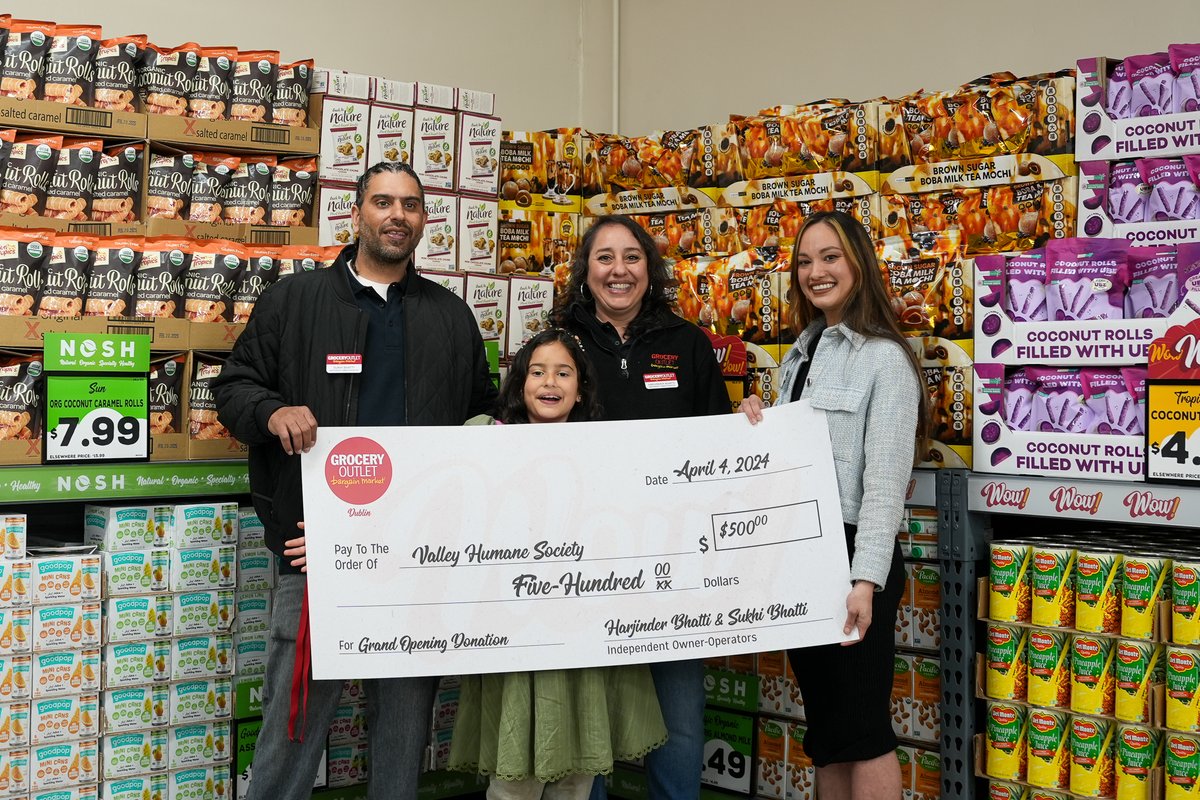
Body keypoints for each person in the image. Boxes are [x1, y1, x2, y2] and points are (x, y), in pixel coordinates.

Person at [213, 161, 497, 800]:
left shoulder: (451, 317)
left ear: (425, 220)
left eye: (411, 205)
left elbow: (483, 413)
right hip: (316, 551)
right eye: (383, 202)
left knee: (402, 734)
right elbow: (233, 389)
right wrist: (272, 411)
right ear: (357, 212)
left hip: (417, 557)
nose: (398, 215)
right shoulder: (297, 299)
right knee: (292, 734)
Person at [738, 210, 928, 800]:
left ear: (858, 264)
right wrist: (753, 425)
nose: (815, 272)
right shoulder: (798, 355)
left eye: (830, 257)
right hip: (803, 553)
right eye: (803, 261)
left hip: (853, 560)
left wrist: (864, 580)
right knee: (827, 730)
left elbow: (885, 484)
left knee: (864, 730)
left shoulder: (884, 359)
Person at [448, 327, 668, 799]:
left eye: (563, 373)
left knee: (576, 776)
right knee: (512, 784)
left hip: (581, 641)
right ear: (519, 383)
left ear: (581, 387)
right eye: (538, 371)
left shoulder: (610, 453)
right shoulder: (481, 439)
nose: (550, 382)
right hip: (511, 639)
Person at [553, 214, 729, 800]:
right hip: (586, 565)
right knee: (592, 726)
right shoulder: (560, 345)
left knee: (678, 727)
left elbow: (721, 449)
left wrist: (753, 427)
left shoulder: (688, 345)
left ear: (651, 270)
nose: (618, 270)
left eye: (632, 257)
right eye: (604, 258)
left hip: (674, 567)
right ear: (586, 271)